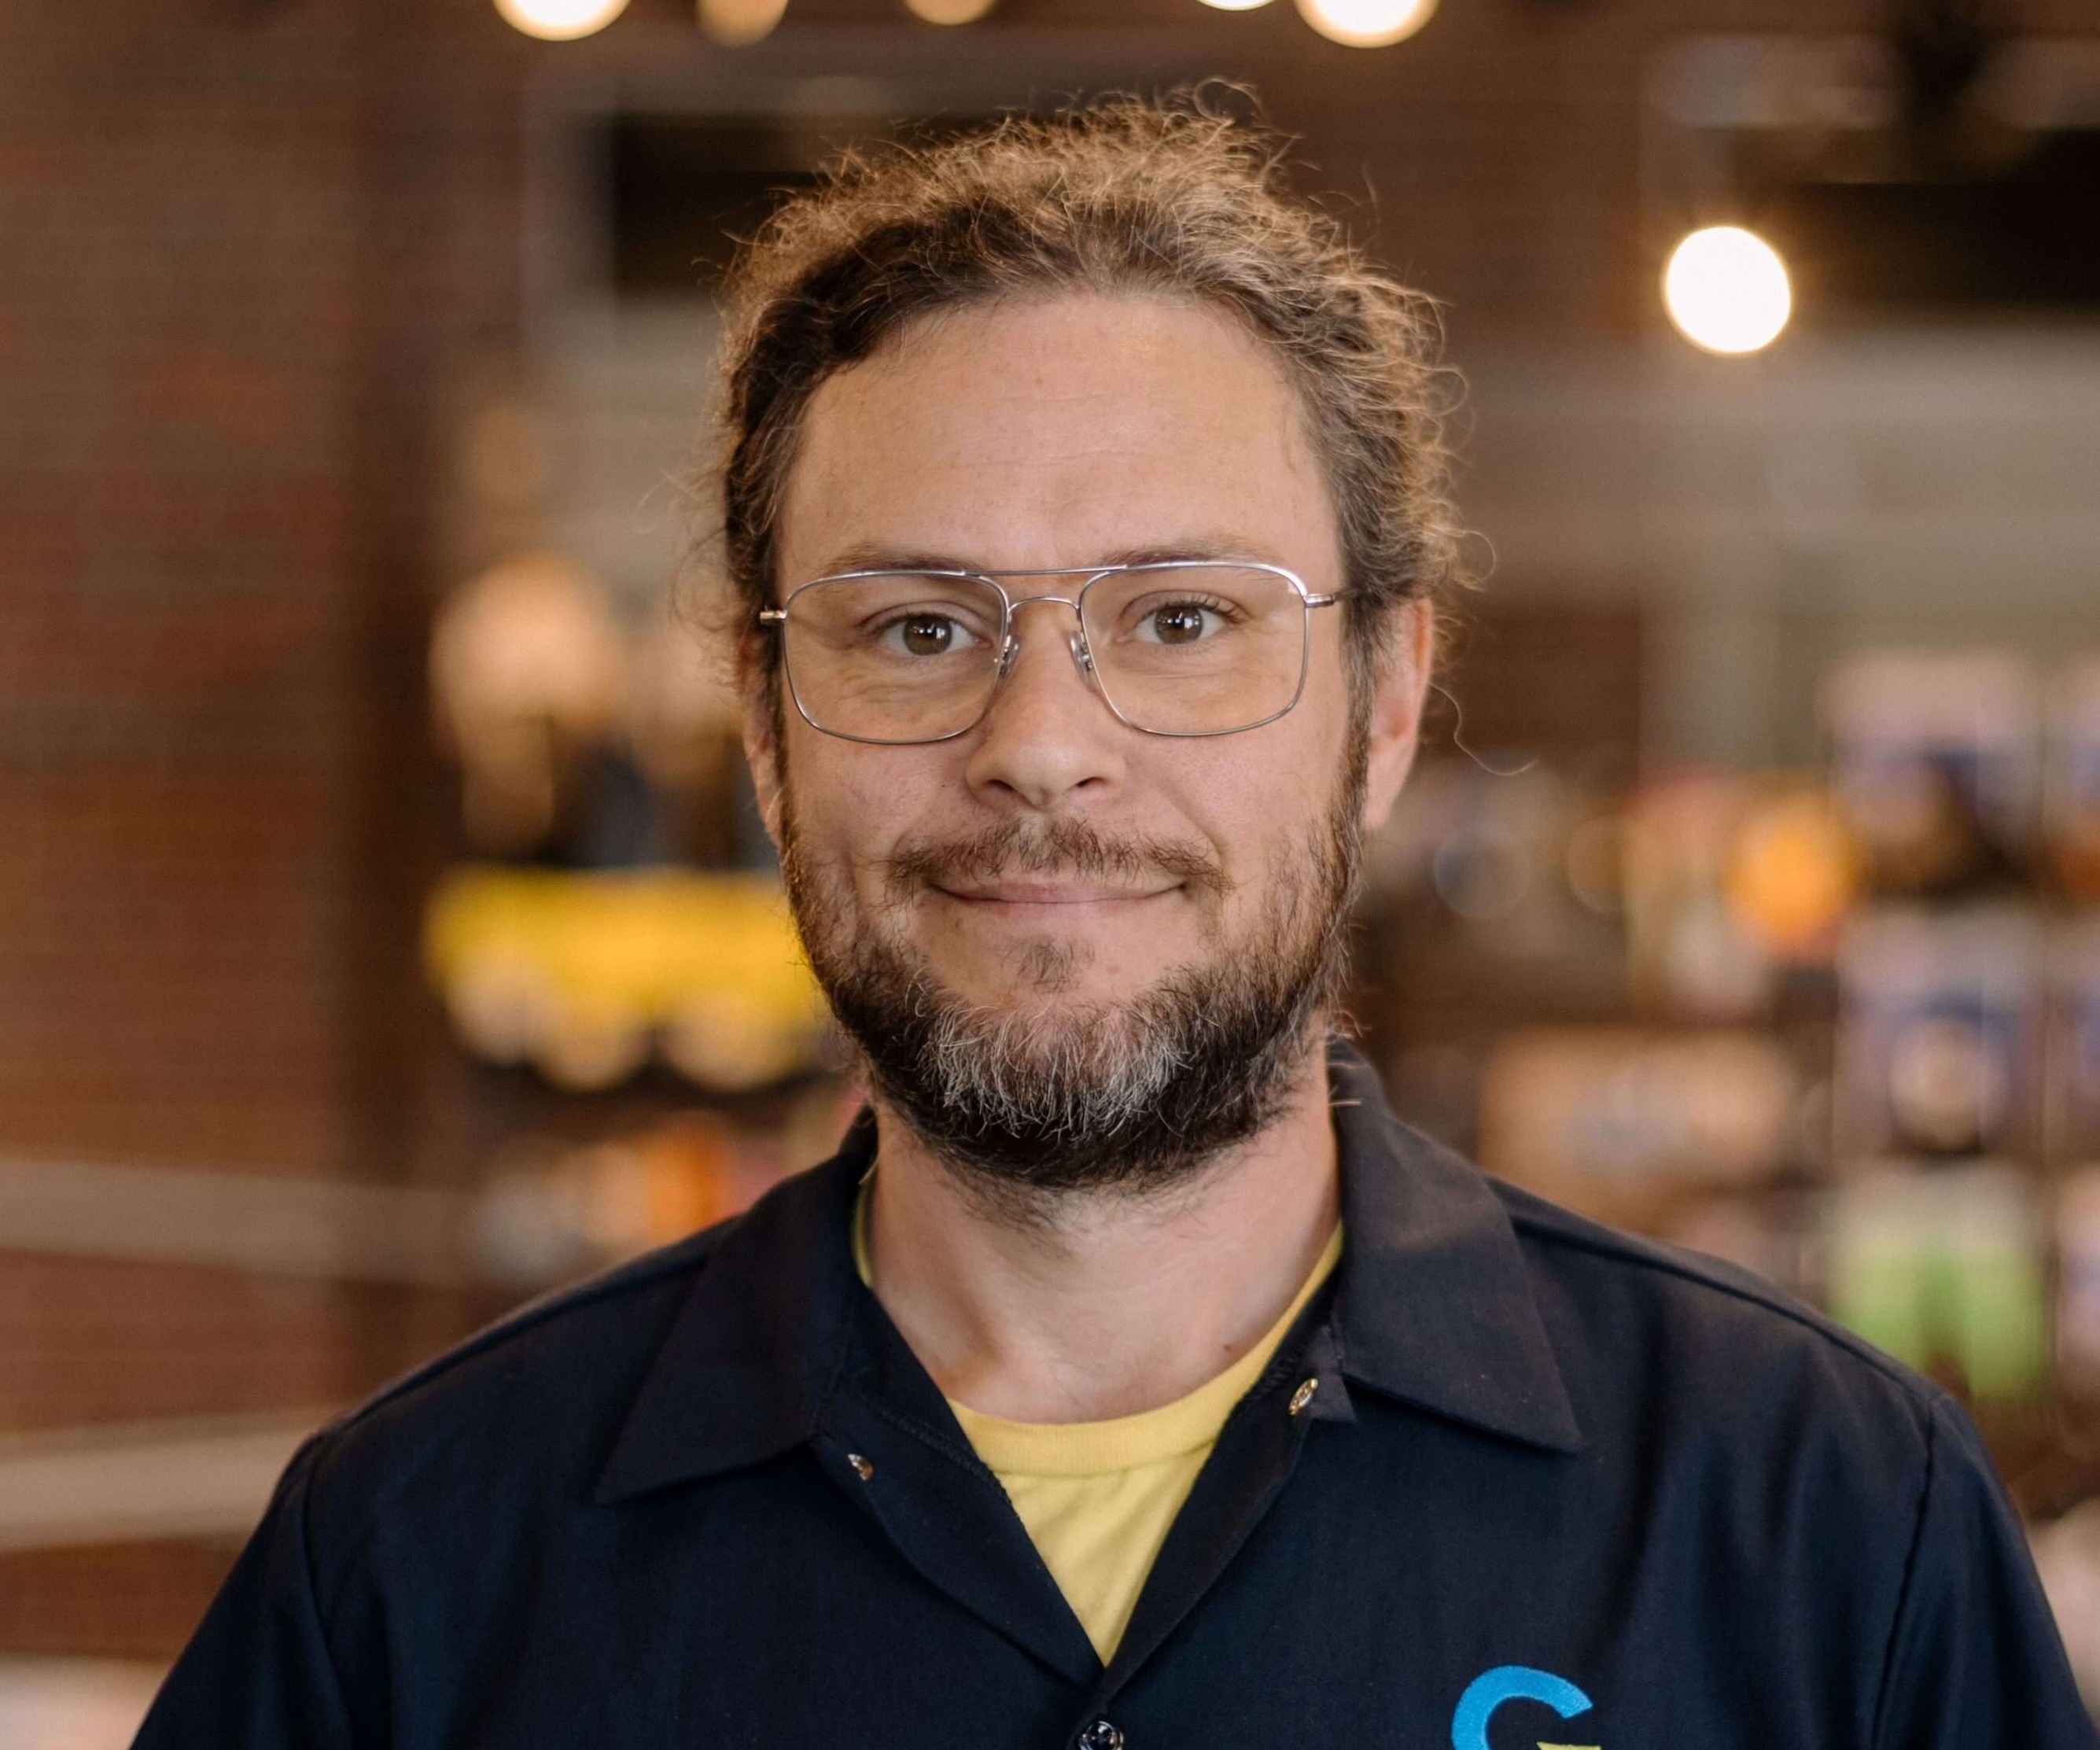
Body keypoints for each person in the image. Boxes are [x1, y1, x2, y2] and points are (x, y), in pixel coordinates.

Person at [136, 95, 2093, 1749]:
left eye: (1180, 619)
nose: (1043, 748)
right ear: (762, 726)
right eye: (919, 628)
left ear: (1387, 704)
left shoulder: (1824, 1526)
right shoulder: (410, 1573)